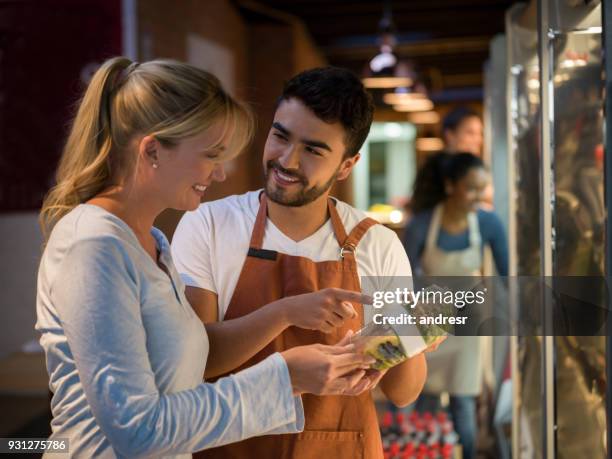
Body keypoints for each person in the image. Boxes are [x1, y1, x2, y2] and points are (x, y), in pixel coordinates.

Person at [35, 57, 378, 459]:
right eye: (211, 154)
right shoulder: (94, 247)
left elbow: (188, 367)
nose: (220, 173)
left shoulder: (153, 243)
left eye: (313, 150)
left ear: (347, 166)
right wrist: (284, 377)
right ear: (153, 151)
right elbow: (139, 430)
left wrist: (288, 317)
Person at [171, 66, 430, 459]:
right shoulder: (207, 224)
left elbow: (404, 393)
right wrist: (287, 312)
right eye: (280, 136)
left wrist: (410, 331)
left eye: (313, 149)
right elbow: (196, 364)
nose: (287, 161)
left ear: (347, 164)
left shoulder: (378, 244)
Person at [402, 152, 508, 459]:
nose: (479, 196)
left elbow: (505, 272)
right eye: (472, 188)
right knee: (424, 396)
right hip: (429, 321)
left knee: (463, 400)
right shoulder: (423, 224)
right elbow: (404, 277)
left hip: (469, 325)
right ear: (450, 185)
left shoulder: (488, 223)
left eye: (483, 188)